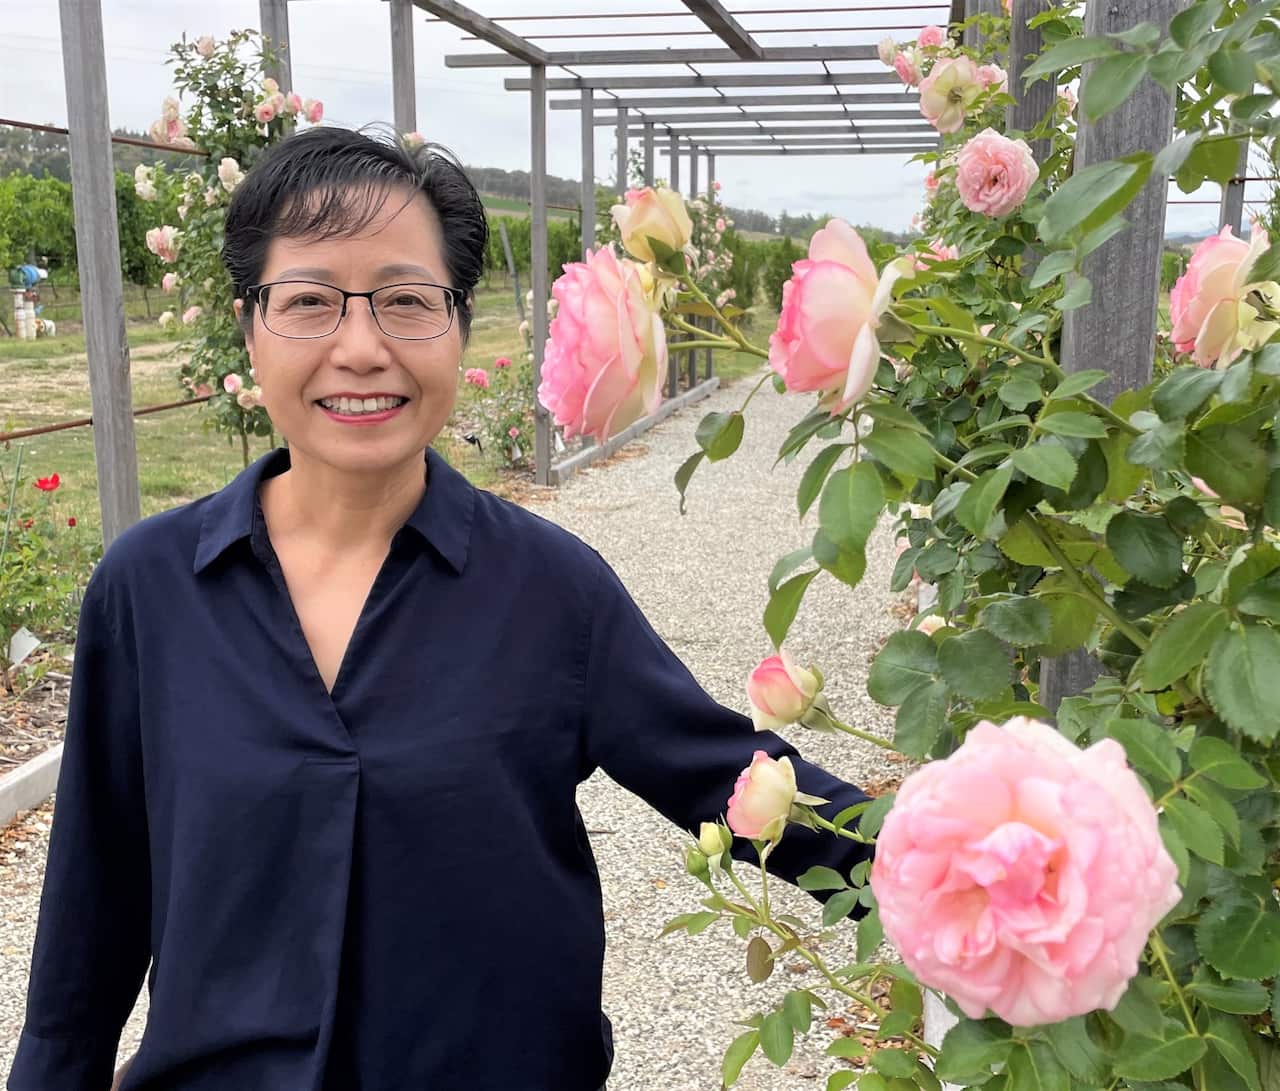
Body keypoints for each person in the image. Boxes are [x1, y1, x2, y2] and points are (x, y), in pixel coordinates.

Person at [8, 127, 874, 1091]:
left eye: (408, 302)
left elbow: (728, 776)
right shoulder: (151, 588)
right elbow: (94, 907)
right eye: (308, 303)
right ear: (250, 329)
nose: (362, 348)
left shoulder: (550, 591)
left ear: (459, 325)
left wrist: (955, 872)